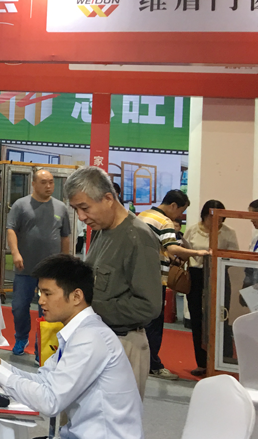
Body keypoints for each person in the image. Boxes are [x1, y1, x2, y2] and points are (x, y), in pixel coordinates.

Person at [0, 255, 144, 439]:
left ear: (76, 296)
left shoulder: (91, 338)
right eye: (40, 293)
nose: (41, 301)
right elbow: (42, 381)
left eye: (47, 293)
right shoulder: (80, 333)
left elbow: (50, 402)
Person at [65, 166, 161, 400]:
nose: (81, 217)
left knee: (111, 418)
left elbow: (148, 306)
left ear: (108, 199)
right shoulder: (102, 230)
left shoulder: (137, 237)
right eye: (76, 209)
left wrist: (89, 309)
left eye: (85, 208)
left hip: (122, 344)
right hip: (96, 339)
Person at [138, 190, 207, 380]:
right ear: (174, 205)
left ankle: (140, 361)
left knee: (141, 322)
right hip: (154, 277)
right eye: (180, 211)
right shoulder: (164, 221)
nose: (179, 216)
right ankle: (153, 365)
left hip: (138, 275)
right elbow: (172, 247)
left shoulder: (143, 215)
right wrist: (198, 253)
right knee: (155, 322)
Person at [6, 168, 71, 355]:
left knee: (48, 310)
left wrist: (64, 261)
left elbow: (65, 236)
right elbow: (11, 230)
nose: (49, 186)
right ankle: (21, 337)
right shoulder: (21, 205)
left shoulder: (61, 208)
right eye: (44, 182)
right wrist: (15, 252)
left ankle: (42, 349)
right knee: (19, 307)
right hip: (25, 268)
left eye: (51, 182)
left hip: (51, 272)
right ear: (33, 184)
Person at [183, 199, 237, 377]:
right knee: (197, 318)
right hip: (197, 275)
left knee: (221, 318)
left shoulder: (228, 233)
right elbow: (185, 251)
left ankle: (222, 361)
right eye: (211, 217)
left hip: (220, 275)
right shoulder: (192, 230)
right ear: (204, 215)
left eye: (220, 218)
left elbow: (234, 256)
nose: (215, 221)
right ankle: (201, 362)